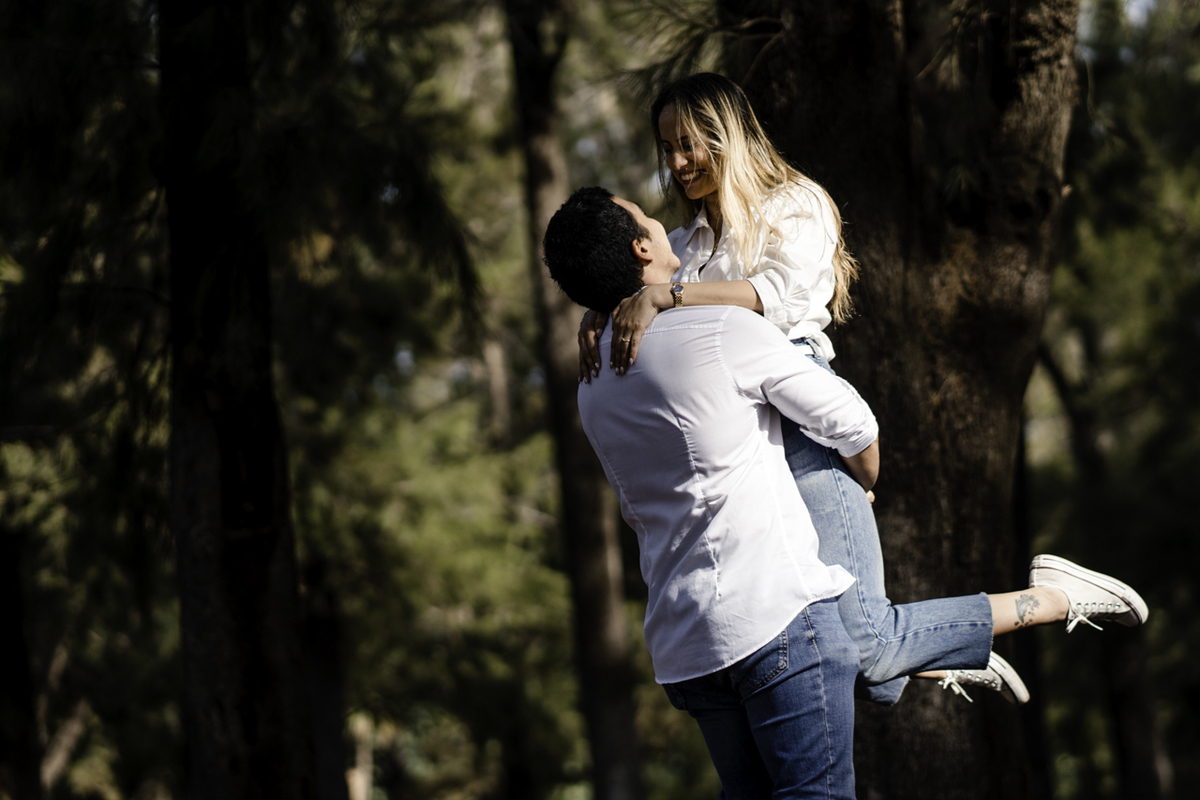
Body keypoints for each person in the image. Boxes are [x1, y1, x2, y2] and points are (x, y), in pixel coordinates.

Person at [546, 187, 1150, 797]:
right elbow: (854, 423)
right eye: (647, 217)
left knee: (868, 649)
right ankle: (1031, 606)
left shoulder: (593, 385)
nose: (663, 213)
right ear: (641, 245)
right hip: (775, 623)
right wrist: (860, 480)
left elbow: (635, 506)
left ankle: (939, 647)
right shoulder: (721, 332)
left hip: (686, 648)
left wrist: (605, 306)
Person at [576, 74, 1151, 706]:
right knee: (857, 665)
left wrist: (668, 295)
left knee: (867, 647)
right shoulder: (686, 246)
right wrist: (605, 308)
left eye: (689, 143)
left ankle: (1053, 596)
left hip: (800, 413)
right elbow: (641, 278)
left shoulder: (793, 204)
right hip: (743, 437)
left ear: (730, 135)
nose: (678, 163)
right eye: (668, 149)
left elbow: (774, 298)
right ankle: (939, 648)